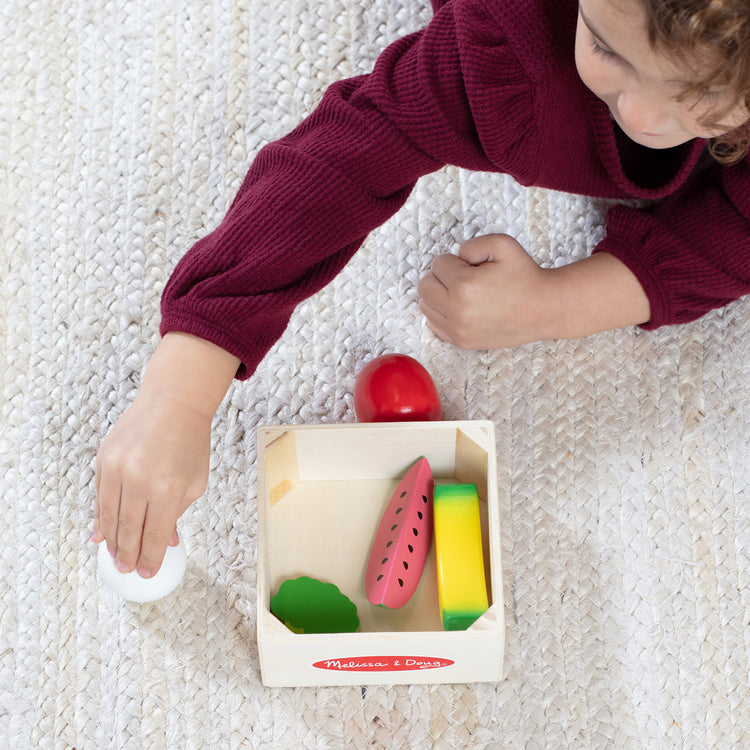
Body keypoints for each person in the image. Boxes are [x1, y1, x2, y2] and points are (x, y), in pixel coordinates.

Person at [91, 0, 750, 578]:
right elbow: (349, 153)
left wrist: (560, 303)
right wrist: (179, 390)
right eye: (605, 46)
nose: (638, 113)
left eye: (698, 96)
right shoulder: (506, 43)